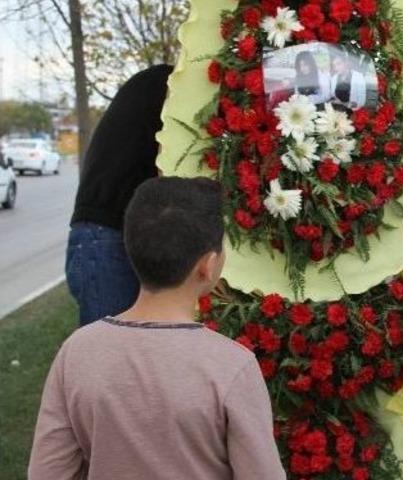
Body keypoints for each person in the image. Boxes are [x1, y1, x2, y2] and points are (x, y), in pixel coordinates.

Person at [29, 177, 287, 480]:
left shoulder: (77, 351)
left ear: (130, 248)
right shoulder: (232, 366)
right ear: (208, 264)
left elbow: (47, 471)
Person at [67, 65, 173, 327]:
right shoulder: (172, 88)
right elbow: (171, 173)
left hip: (108, 234)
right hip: (106, 235)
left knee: (125, 352)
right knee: (110, 358)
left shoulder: (154, 81)